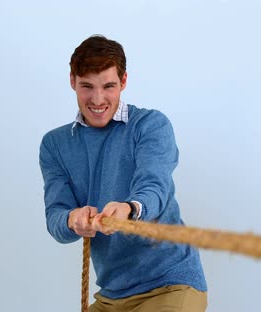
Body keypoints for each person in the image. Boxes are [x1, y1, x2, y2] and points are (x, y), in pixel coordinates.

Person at [39, 35, 207, 312]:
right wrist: (73, 219)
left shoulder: (150, 126)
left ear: (124, 81)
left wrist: (130, 209)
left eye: (108, 86)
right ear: (72, 81)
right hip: (111, 295)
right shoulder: (55, 145)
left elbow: (155, 187)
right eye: (86, 86)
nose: (98, 99)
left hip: (171, 284)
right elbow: (56, 215)